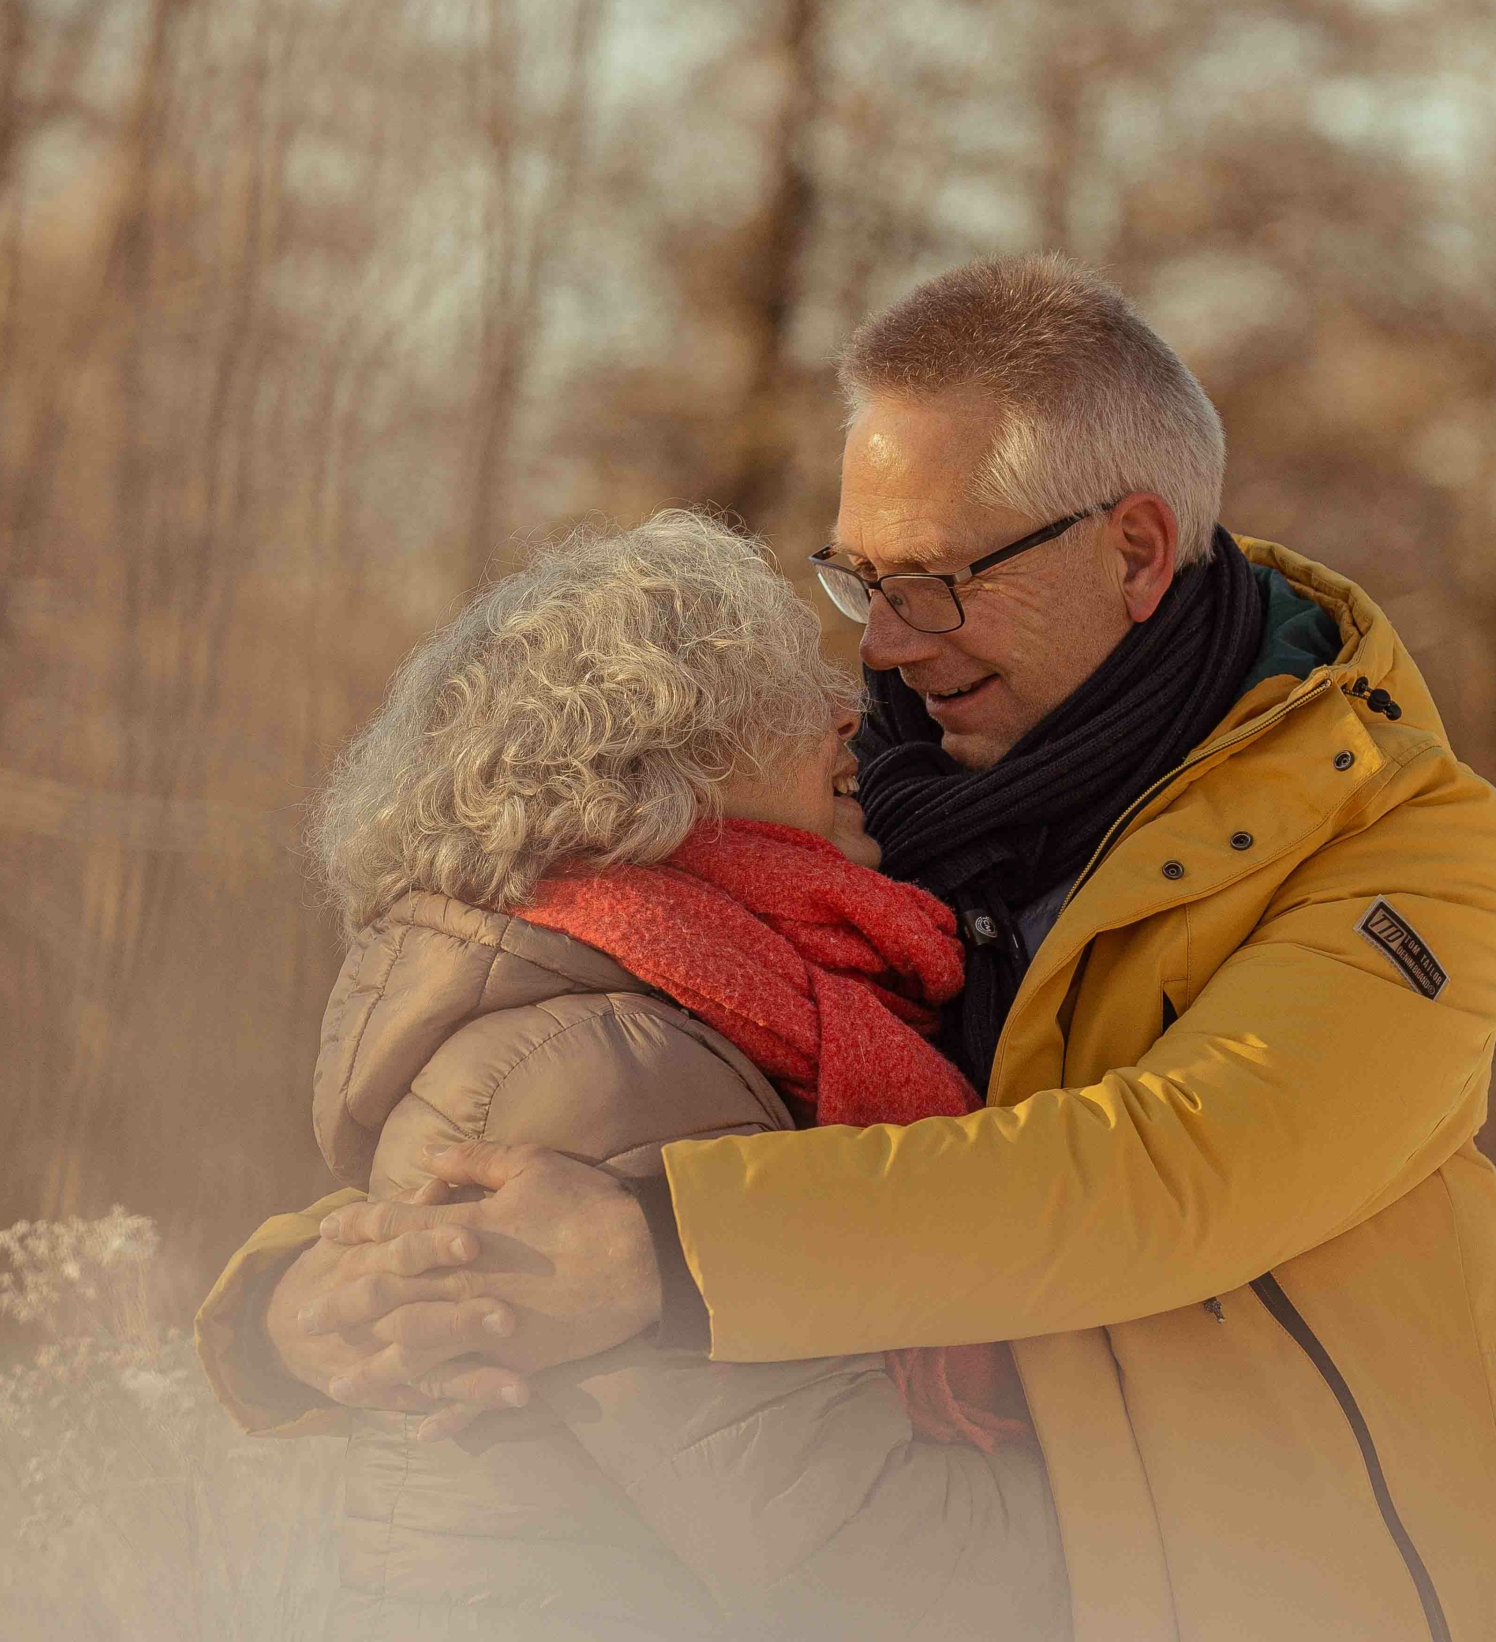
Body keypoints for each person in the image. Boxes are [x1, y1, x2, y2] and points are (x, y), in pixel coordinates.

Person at [200, 255, 1496, 1641]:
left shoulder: (1394, 833)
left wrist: (663, 1253)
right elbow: (603, 1082)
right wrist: (301, 1300)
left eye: (938, 582)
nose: (888, 649)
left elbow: (1182, 1165)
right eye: (860, 579)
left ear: (1136, 549)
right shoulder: (869, 828)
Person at [241, 512, 1069, 1640]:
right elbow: (872, 1568)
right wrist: (1212, 1532)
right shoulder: (602, 1069)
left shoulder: (668, 1010)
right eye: (777, 696)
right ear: (653, 757)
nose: (846, 716)